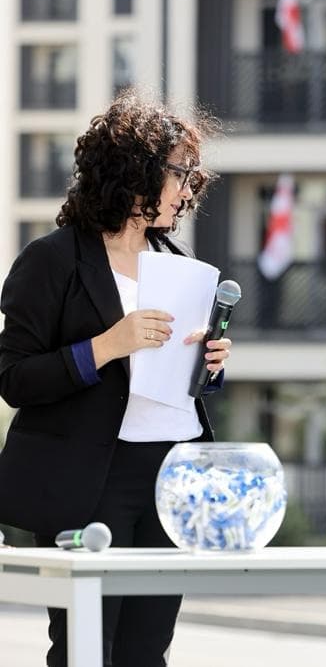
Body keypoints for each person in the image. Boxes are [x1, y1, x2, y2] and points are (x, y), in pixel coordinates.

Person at [0, 89, 231, 667]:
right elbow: (14, 378)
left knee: (148, 651)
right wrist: (107, 346)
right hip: (89, 479)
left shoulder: (178, 263)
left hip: (170, 475)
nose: (188, 190)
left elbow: (178, 382)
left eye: (192, 176)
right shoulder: (52, 259)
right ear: (135, 172)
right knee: (85, 648)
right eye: (180, 174)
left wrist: (209, 364)